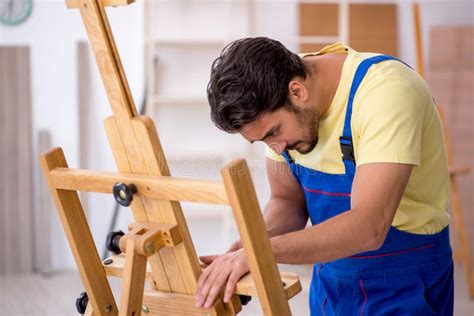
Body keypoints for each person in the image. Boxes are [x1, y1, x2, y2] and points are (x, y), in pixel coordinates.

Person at [195, 37, 453, 315]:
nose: (276, 148)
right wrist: (251, 243)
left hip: (405, 282)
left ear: (297, 92)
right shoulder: (278, 96)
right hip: (331, 286)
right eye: (263, 142)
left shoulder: (386, 92)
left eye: (273, 132)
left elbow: (370, 226)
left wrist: (261, 252)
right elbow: (287, 201)